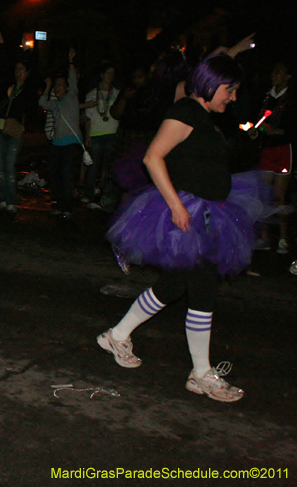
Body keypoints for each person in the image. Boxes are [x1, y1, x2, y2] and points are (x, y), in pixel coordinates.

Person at [100, 54, 272, 402]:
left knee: (175, 285)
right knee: (203, 288)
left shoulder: (205, 116)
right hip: (190, 215)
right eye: (230, 90)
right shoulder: (185, 113)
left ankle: (117, 335)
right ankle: (200, 372)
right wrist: (177, 206)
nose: (233, 97)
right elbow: (153, 157)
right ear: (209, 85)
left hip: (210, 212)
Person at [250, 61, 295, 254]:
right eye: (273, 71)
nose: (273, 74)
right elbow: (259, 121)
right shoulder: (266, 97)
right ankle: (265, 236)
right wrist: (255, 131)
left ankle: (283, 237)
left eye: (278, 71)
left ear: (288, 76)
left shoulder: (292, 99)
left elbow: (292, 128)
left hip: (284, 150)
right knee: (264, 195)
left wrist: (277, 131)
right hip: (266, 149)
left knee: (279, 196)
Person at [39, 49, 82, 219]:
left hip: (71, 144)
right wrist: (48, 86)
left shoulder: (72, 98)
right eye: (56, 86)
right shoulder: (55, 104)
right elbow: (42, 102)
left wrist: (71, 61)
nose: (57, 88)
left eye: (59, 85)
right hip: (56, 145)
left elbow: (73, 79)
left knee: (66, 175)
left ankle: (67, 207)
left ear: (66, 88)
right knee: (54, 174)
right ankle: (57, 204)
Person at [0, 60, 32, 213]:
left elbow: (27, 107)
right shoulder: (6, 87)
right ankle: (2, 197)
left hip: (14, 130)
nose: (18, 72)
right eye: (16, 69)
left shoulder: (27, 90)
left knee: (9, 166)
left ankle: (11, 199)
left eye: (22, 69)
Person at [82, 63, 120, 208]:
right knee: (94, 165)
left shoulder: (116, 93)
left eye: (112, 74)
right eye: (108, 73)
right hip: (96, 133)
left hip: (112, 132)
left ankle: (105, 193)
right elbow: (87, 117)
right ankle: (88, 193)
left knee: (108, 166)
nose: (110, 77)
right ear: (101, 75)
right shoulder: (92, 94)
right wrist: (87, 136)